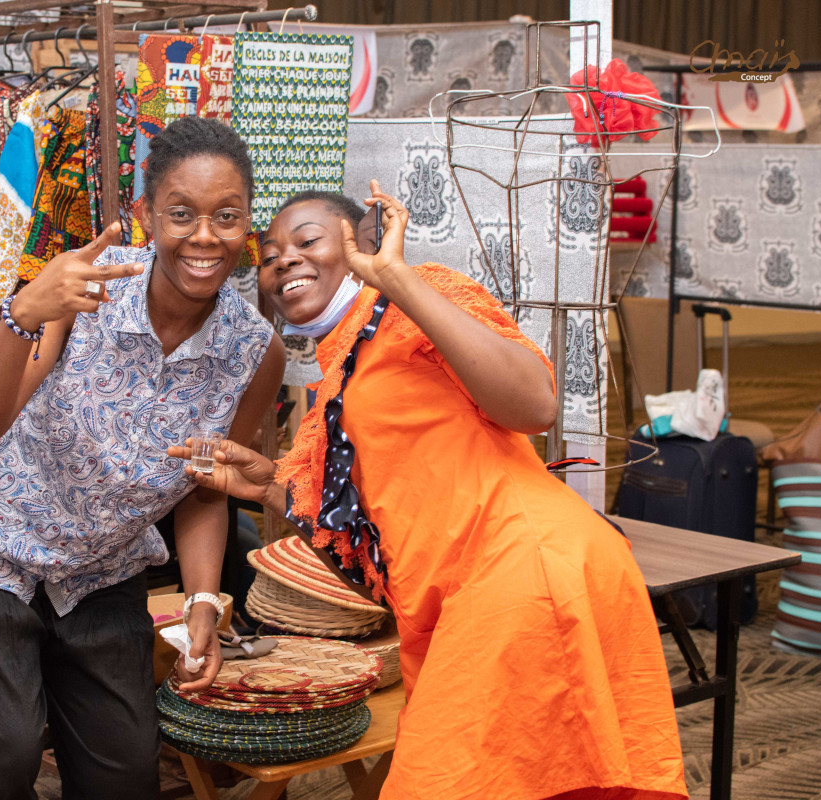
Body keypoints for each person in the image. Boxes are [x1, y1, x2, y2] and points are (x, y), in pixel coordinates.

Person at [170, 185, 688, 800]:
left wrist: (397, 279)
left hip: (522, 570)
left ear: (360, 242)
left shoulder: (414, 301)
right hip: (479, 588)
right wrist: (263, 484)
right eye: (270, 254)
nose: (284, 260)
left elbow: (535, 403)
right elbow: (363, 520)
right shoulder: (341, 370)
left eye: (306, 241)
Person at [0, 116, 285, 800]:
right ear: (144, 215)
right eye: (181, 214)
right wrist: (23, 313)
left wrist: (204, 598)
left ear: (247, 224)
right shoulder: (86, 290)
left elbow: (208, 484)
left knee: (124, 772)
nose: (205, 236)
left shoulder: (255, 350)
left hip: (98, 567)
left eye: (226, 217)